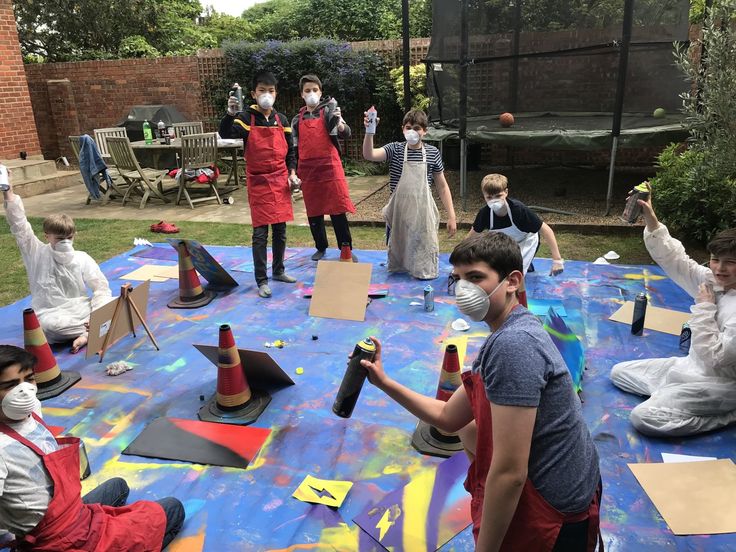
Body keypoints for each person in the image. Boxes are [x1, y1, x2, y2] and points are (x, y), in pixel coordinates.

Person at [360, 232, 602, 551]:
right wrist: (385, 382)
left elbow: (510, 473)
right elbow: (448, 418)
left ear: (512, 281)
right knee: (471, 431)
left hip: (555, 515)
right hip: (562, 488)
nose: (464, 289)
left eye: (476, 277)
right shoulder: (506, 333)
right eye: (458, 278)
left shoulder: (513, 347)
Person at [0, 344, 185, 550]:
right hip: (59, 540)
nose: (24, 391)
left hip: (70, 512)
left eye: (29, 379)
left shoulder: (30, 408)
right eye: (10, 385)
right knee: (172, 509)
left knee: (118, 486)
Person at [610, 183, 736, 436]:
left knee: (644, 418)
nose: (720, 268)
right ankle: (672, 397)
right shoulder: (713, 281)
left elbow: (716, 356)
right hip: (690, 368)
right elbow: (678, 262)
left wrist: (704, 308)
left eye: (730, 263)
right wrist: (652, 222)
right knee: (618, 373)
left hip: (721, 384)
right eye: (715, 260)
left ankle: (727, 414)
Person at [2, 174, 111, 353]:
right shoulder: (35, 252)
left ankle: (90, 331)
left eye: (69, 238)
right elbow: (20, 226)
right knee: (50, 328)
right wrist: (9, 193)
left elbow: (101, 288)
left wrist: (98, 314)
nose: (65, 243)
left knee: (117, 306)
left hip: (82, 310)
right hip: (52, 313)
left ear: (74, 235)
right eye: (60, 239)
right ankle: (93, 332)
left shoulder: (81, 257)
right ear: (47, 236)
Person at [220, 71, 298, 298]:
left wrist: (292, 173)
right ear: (254, 93)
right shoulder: (245, 118)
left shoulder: (281, 120)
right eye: (262, 90)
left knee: (281, 231)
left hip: (280, 180)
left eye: (271, 91)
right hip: (259, 181)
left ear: (276, 94)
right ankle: (261, 279)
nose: (267, 95)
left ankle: (279, 270)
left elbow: (290, 151)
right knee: (260, 233)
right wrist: (229, 114)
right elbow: (225, 133)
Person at [362, 109, 457, 279]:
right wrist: (370, 131)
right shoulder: (395, 149)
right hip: (399, 213)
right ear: (402, 129)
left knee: (424, 256)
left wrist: (451, 216)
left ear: (425, 131)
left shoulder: (432, 153)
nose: (412, 131)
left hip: (422, 212)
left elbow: (442, 186)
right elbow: (369, 154)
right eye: (408, 127)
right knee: (399, 258)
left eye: (417, 128)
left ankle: (423, 274)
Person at [291, 74, 357, 262]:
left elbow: (346, 133)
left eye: (315, 90)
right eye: (307, 90)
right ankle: (320, 247)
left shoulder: (330, 112)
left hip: (330, 167)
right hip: (308, 171)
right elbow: (294, 148)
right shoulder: (297, 120)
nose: (311, 93)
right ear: (301, 94)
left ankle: (346, 248)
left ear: (320, 92)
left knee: (337, 209)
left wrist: (341, 124)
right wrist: (294, 171)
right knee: (314, 211)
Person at [467, 173, 564, 276]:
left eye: (498, 196)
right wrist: (458, 259)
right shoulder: (485, 213)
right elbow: (471, 236)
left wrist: (557, 260)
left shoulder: (518, 210)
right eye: (489, 197)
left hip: (526, 241)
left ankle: (523, 262)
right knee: (493, 271)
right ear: (484, 196)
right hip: (504, 244)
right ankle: (525, 264)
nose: (494, 201)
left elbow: (546, 230)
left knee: (512, 275)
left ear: (506, 192)